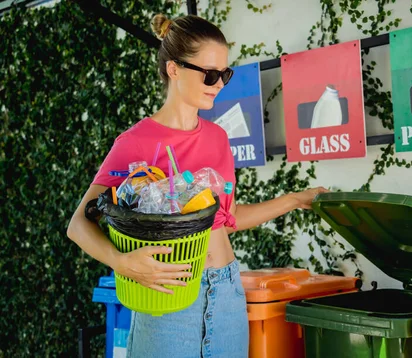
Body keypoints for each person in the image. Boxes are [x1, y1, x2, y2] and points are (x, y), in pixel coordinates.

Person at [67, 13, 327, 358]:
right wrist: (121, 262)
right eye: (210, 74)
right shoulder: (136, 143)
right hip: (168, 299)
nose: (219, 84)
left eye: (225, 74)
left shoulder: (218, 138)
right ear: (174, 69)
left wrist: (295, 199)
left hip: (227, 294)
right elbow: (78, 224)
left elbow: (227, 219)